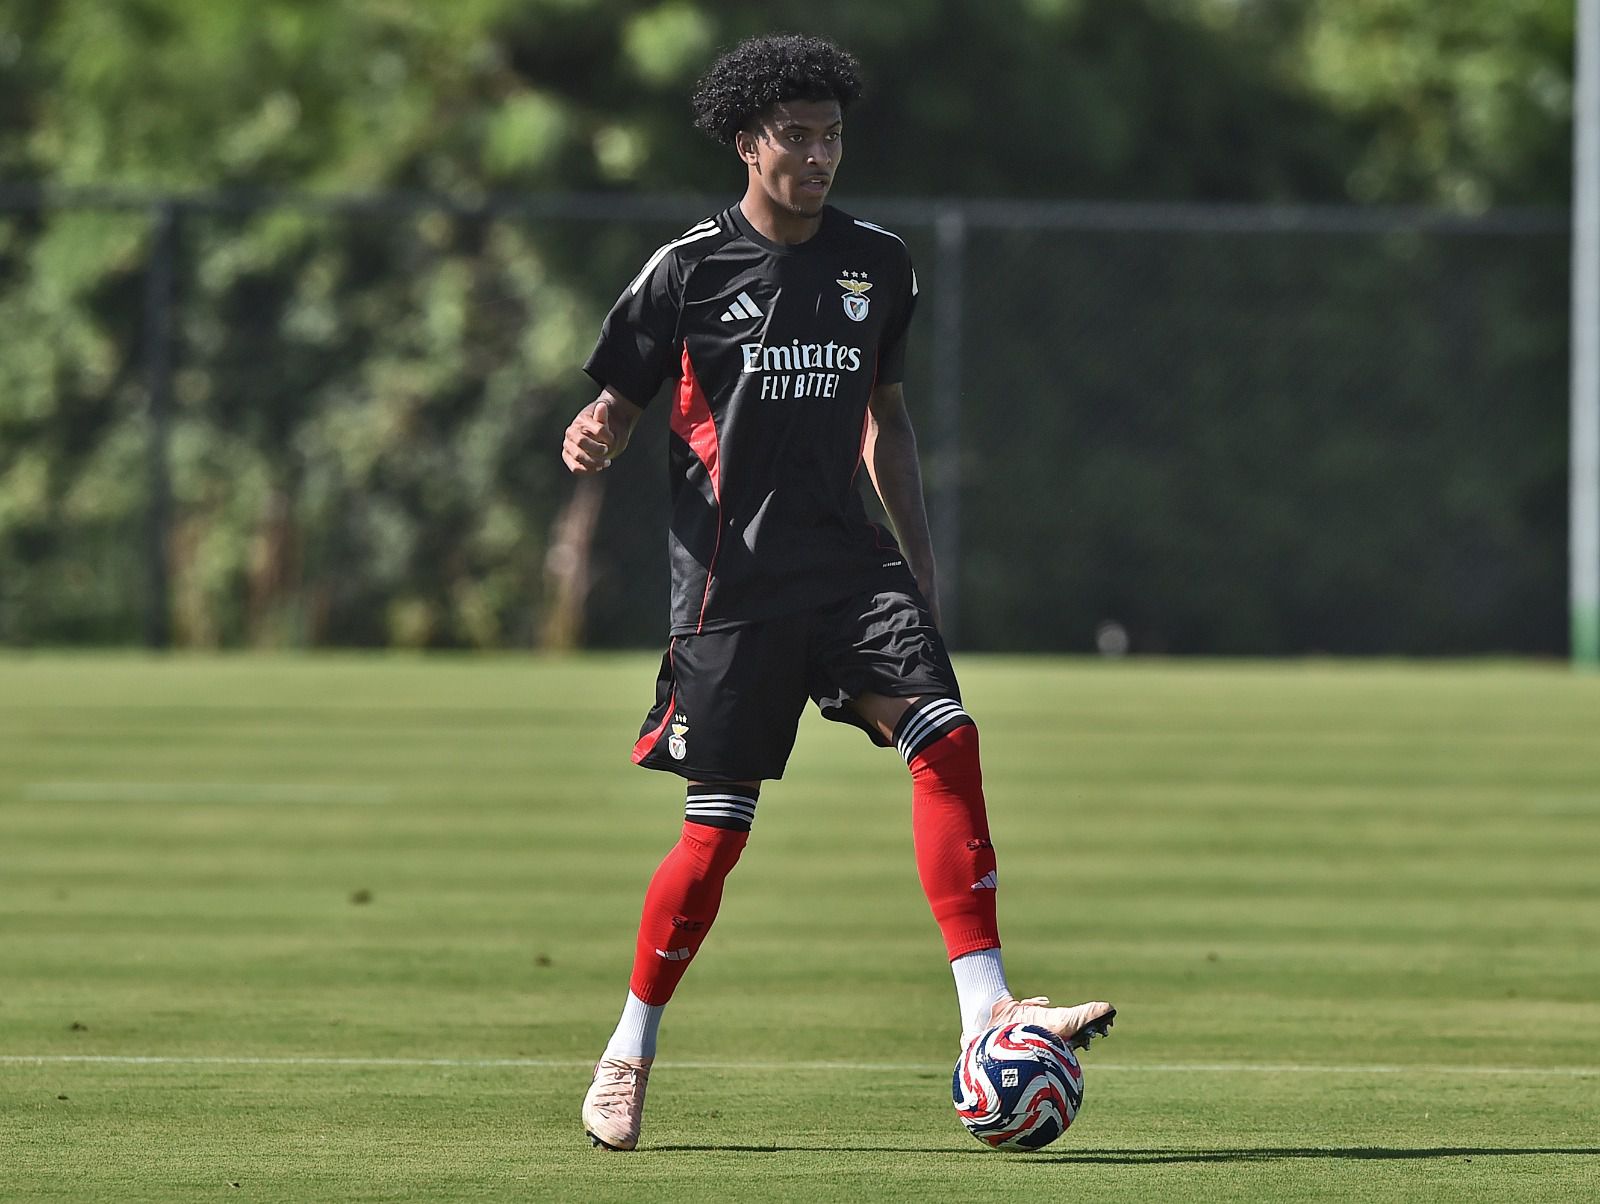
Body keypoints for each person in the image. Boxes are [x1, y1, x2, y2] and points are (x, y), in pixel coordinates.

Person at [562, 33, 1114, 1152]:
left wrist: (919, 566)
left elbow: (887, 422)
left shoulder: (879, 265)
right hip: (732, 585)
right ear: (746, 143)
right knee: (715, 837)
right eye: (797, 137)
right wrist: (596, 429)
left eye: (833, 136)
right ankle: (628, 1048)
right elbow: (617, 400)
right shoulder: (686, 269)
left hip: (851, 568)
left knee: (947, 737)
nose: (818, 156)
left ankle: (986, 1010)